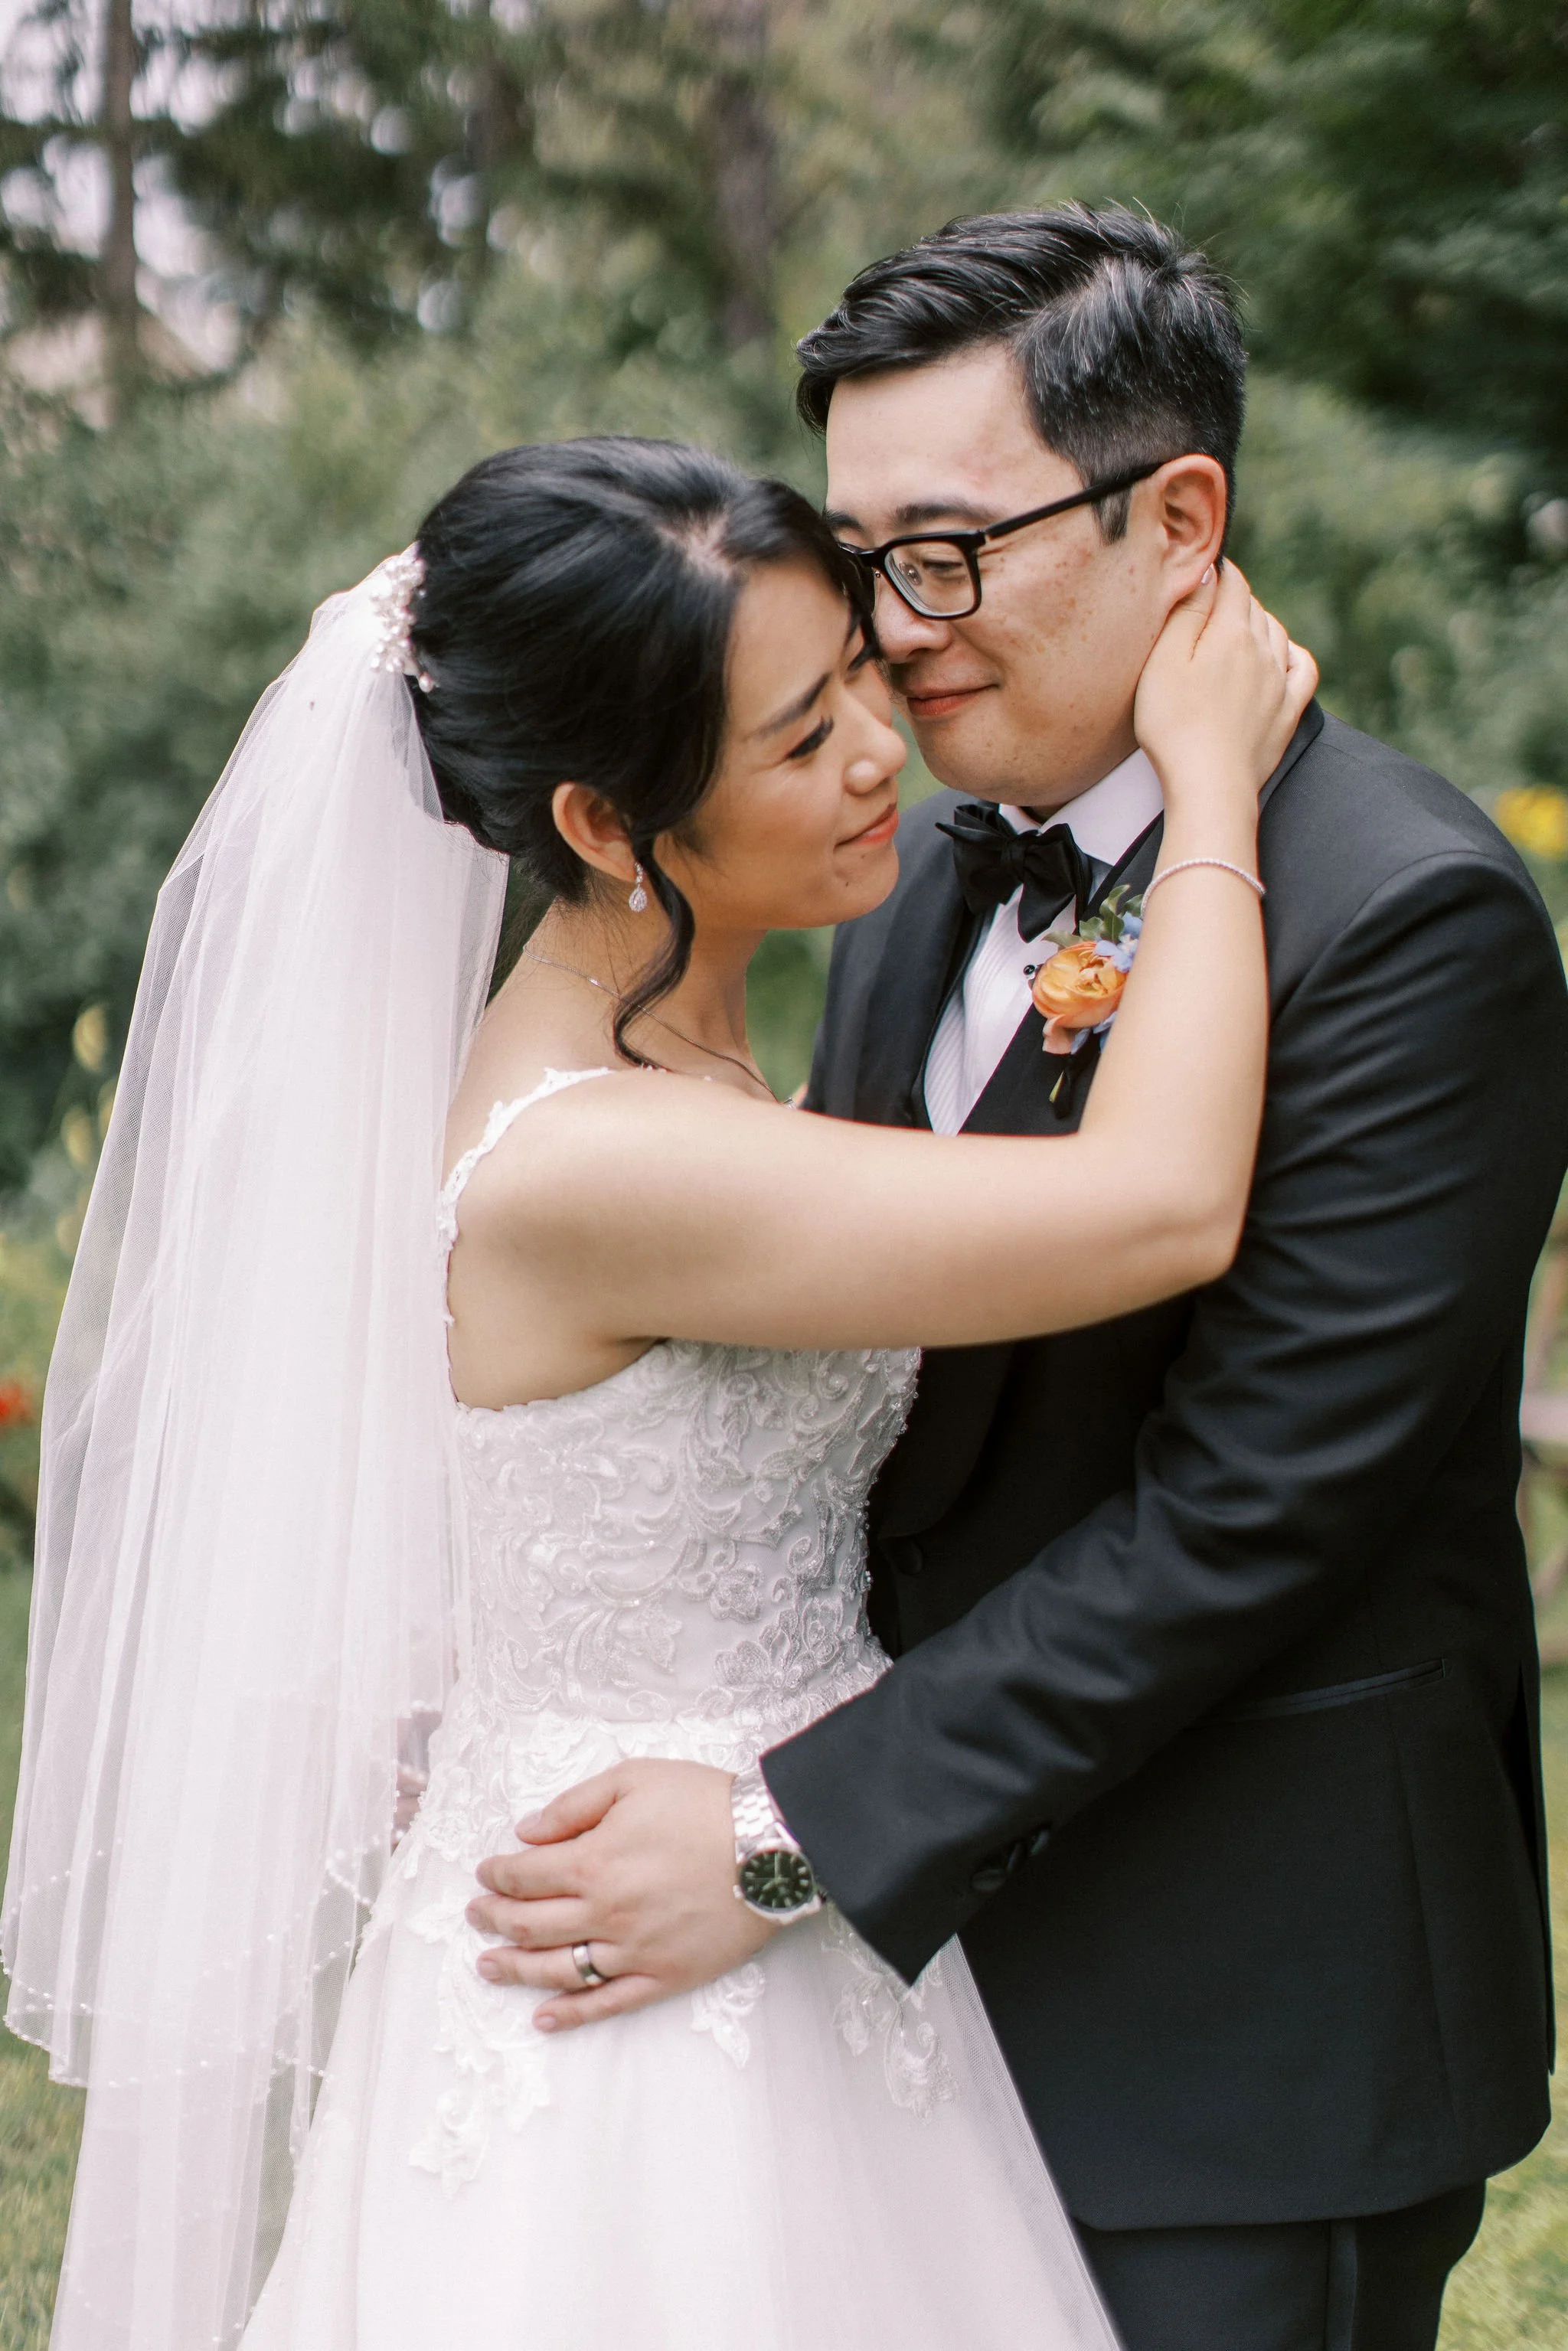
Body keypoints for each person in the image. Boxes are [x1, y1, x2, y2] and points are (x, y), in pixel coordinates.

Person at [4, 427, 1309, 2348]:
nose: (875, 747)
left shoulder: (675, 1063)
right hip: (634, 1980)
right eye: (798, 736)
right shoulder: (599, 1162)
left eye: (855, 673)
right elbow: (1165, 1204)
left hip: (760, 1886)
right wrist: (1206, 783)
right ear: (607, 824)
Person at [469, 212, 1568, 2351]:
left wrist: (785, 1837)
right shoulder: (906, 865)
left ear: (1181, 520)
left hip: (1232, 2026)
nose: (896, 631)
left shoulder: (1408, 917)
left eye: (951, 553)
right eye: (864, 556)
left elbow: (1243, 1514)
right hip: (892, 2014)